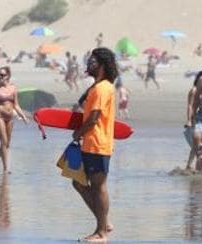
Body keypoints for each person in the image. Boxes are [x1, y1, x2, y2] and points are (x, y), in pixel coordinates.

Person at [71, 47, 117, 242]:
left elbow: (94, 119)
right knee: (78, 182)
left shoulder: (102, 88)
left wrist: (78, 133)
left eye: (93, 62)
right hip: (91, 143)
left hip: (98, 143)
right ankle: (104, 223)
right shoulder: (97, 87)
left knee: (98, 187)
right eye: (88, 61)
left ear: (103, 65)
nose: (88, 64)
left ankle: (102, 233)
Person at [0, 66, 29, 173]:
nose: (0, 77)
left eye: (2, 75)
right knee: (4, 141)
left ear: (8, 76)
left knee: (7, 143)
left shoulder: (13, 88)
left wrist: (23, 117)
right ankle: (5, 169)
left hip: (10, 117)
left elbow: (16, 105)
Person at [184, 71, 202, 169]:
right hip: (195, 119)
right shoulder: (194, 90)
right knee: (198, 143)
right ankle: (198, 165)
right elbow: (190, 106)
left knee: (199, 143)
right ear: (198, 79)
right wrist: (189, 120)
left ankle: (191, 165)